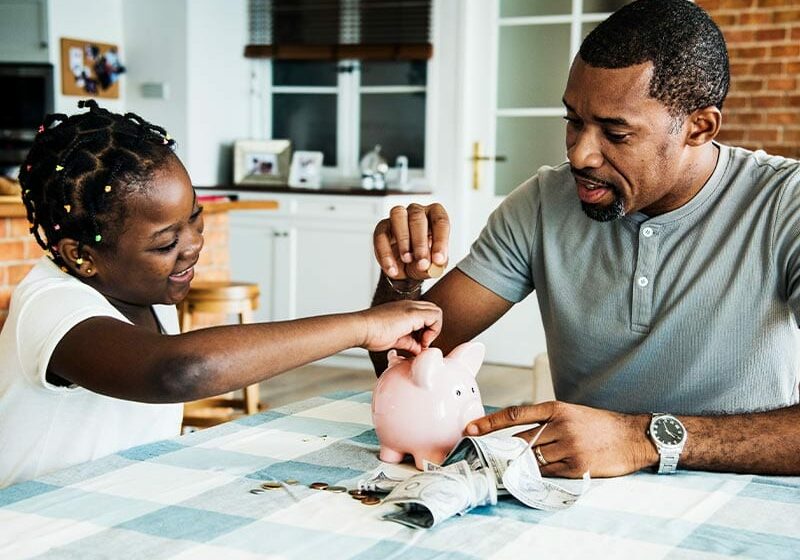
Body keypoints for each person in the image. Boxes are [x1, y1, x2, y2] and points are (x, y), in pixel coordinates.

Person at [370, 0, 800, 478]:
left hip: (747, 498)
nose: (579, 154)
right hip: (579, 497)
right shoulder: (541, 203)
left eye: (615, 132)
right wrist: (403, 283)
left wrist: (644, 440)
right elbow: (403, 363)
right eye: (573, 120)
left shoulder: (786, 206)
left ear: (699, 127)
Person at [0, 100, 442, 488]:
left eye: (195, 218)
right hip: (32, 524)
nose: (193, 244)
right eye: (165, 242)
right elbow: (177, 371)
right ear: (80, 256)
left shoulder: (141, 292)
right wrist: (361, 328)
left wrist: (398, 287)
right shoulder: (50, 305)